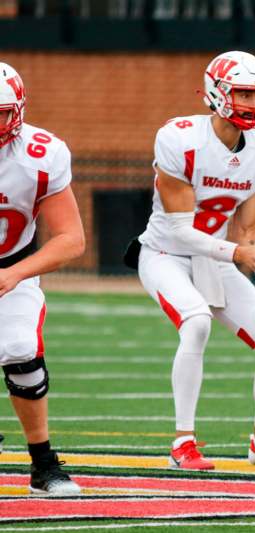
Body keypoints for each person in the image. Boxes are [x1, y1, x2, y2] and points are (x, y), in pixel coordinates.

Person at [129, 50, 255, 470]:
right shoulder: (180, 138)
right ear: (216, 93)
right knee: (196, 322)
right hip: (165, 254)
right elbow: (177, 228)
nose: (252, 103)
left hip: (215, 258)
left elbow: (248, 228)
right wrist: (238, 252)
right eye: (242, 93)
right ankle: (183, 442)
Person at [0, 62, 85, 494]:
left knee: (21, 349)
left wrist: (15, 273)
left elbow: (71, 238)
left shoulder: (41, 154)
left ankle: (43, 464)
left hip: (13, 267)